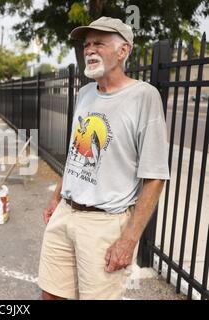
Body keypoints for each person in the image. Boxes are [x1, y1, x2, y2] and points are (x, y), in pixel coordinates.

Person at [37, 16, 170, 300]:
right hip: (65, 214)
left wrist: (129, 239)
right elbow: (76, 152)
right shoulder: (85, 93)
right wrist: (57, 197)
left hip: (104, 225)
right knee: (50, 296)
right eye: (87, 44)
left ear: (123, 51)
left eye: (99, 43)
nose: (89, 50)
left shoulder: (144, 97)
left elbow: (156, 177)